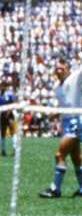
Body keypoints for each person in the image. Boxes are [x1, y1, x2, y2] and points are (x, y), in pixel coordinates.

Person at [39, 57, 82, 198]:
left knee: (60, 154)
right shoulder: (57, 87)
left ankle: (55, 189)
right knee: (76, 157)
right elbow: (65, 105)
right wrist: (56, 114)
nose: (58, 70)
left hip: (76, 121)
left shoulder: (75, 77)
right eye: (56, 68)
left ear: (68, 68)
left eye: (61, 67)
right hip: (66, 122)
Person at [0, 74, 16, 157]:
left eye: (3, 86)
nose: (1, 87)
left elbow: (13, 103)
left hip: (9, 115)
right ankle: (3, 150)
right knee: (3, 133)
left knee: (12, 131)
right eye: (1, 86)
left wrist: (9, 112)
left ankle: (14, 149)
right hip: (2, 115)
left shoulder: (9, 94)